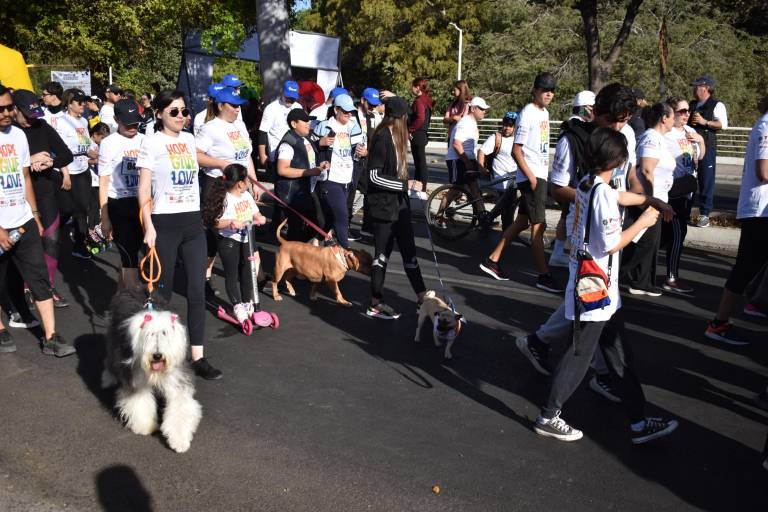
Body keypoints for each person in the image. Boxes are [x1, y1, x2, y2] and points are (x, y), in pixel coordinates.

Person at [516, 84, 665, 402]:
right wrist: (599, 196)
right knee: (594, 305)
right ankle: (589, 381)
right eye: (615, 120)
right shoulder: (574, 139)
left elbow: (632, 173)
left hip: (613, 223)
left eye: (625, 121)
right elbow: (559, 189)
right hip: (584, 234)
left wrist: (644, 198)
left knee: (593, 301)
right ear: (598, 112)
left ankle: (541, 343)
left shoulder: (625, 135)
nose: (620, 127)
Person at [533, 127, 678, 444]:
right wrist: (644, 220)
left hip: (599, 288)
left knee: (618, 356)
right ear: (618, 159)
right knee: (580, 355)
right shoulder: (599, 192)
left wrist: (649, 200)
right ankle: (548, 415)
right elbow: (612, 243)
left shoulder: (589, 183)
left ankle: (639, 422)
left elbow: (618, 195)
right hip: (595, 289)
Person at [137, 89, 222, 380]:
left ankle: (197, 356)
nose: (182, 117)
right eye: (174, 111)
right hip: (164, 223)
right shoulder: (152, 142)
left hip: (191, 223)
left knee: (197, 291)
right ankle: (159, 354)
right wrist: (148, 225)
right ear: (159, 113)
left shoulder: (188, 139)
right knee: (163, 294)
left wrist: (224, 163)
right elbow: (144, 188)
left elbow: (201, 159)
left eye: (184, 111)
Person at [0, 84, 75, 357]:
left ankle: (51, 336)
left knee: (39, 277)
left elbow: (25, 178)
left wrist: (34, 217)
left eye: (9, 107)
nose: (7, 113)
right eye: (2, 109)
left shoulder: (18, 136)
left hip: (23, 219)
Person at [479, 72, 561, 293]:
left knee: (522, 223)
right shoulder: (527, 114)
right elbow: (517, 150)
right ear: (535, 90)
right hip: (532, 177)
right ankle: (544, 276)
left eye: (552, 90)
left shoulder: (544, 113)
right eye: (545, 90)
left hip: (538, 175)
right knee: (538, 227)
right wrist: (532, 177)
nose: (549, 94)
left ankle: (492, 260)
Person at [704, 96, 768, 346]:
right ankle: (719, 323)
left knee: (749, 267)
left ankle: (754, 303)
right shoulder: (766, 126)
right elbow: (763, 171)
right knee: (745, 267)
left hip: (760, 211)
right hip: (759, 211)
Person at [364, 96, 427, 319]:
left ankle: (423, 300)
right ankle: (375, 303)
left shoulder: (398, 137)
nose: (408, 120)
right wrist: (404, 184)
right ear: (398, 117)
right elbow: (373, 176)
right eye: (406, 117)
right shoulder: (382, 137)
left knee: (410, 252)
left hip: (399, 206)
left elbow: (398, 171)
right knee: (381, 256)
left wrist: (409, 187)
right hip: (382, 206)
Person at [11, 89, 73, 309]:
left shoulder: (42, 126)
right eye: (26, 115)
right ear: (14, 110)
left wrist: (50, 162)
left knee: (52, 240)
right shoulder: (9, 132)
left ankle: (47, 285)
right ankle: (26, 288)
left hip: (46, 190)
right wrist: (30, 160)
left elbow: (66, 154)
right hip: (18, 194)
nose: (30, 120)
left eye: (34, 114)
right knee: (24, 244)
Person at [196, 86, 259, 296]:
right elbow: (195, 155)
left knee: (241, 233)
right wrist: (220, 163)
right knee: (214, 237)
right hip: (217, 186)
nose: (237, 110)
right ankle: (204, 277)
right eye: (233, 106)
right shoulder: (210, 128)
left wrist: (254, 181)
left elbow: (246, 155)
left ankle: (247, 284)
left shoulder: (240, 126)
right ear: (220, 105)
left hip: (240, 188)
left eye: (239, 106)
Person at [621, 103, 676, 296]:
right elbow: (646, 170)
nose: (674, 119)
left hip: (658, 199)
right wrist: (650, 201)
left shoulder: (660, 138)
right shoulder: (650, 138)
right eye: (672, 116)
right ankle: (615, 274)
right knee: (645, 241)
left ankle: (643, 282)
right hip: (649, 199)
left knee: (650, 241)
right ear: (663, 118)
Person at [202, 163, 267, 323]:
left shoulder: (246, 196)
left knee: (247, 272)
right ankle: (237, 305)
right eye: (247, 180)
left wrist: (260, 218)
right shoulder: (225, 199)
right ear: (240, 183)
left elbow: (255, 213)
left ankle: (247, 303)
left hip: (246, 239)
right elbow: (215, 222)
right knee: (232, 273)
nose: (249, 183)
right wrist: (231, 222)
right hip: (229, 241)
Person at [98, 99, 145, 289]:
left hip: (142, 202)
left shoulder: (145, 140)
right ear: (117, 119)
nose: (133, 127)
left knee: (136, 252)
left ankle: (122, 294)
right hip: (119, 203)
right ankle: (132, 301)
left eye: (136, 122)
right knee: (129, 255)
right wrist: (105, 217)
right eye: (128, 123)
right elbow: (103, 181)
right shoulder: (108, 143)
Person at [661, 97, 706, 294]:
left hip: (688, 189)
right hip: (673, 189)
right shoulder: (667, 134)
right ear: (672, 112)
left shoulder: (691, 132)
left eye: (688, 110)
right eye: (682, 111)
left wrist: (701, 141)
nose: (687, 114)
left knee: (668, 235)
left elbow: (701, 156)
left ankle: (639, 269)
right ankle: (671, 277)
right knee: (679, 233)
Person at [549, 90, 596, 267]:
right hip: (574, 183)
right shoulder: (577, 129)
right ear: (585, 108)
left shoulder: (570, 126)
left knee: (566, 216)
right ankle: (566, 253)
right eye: (591, 107)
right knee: (573, 219)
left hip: (570, 181)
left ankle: (558, 251)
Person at [313, 93, 366, 248]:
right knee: (342, 216)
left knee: (332, 217)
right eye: (345, 112)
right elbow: (310, 149)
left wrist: (364, 152)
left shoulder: (353, 126)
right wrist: (319, 143)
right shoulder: (324, 126)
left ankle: (316, 240)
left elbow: (359, 151)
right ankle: (345, 252)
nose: (349, 115)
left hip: (348, 179)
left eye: (351, 112)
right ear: (336, 110)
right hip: (331, 179)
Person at [274, 109, 328, 242]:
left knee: (320, 224)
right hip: (293, 196)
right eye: (304, 121)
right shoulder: (288, 143)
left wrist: (321, 165)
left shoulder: (305, 139)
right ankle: (292, 257)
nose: (308, 123)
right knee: (296, 232)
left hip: (307, 192)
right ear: (293, 124)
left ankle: (300, 252)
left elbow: (308, 162)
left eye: (309, 120)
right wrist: (309, 172)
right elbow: (282, 169)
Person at [55, 88, 94, 259]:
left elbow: (88, 144)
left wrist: (96, 153)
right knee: (66, 209)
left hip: (83, 169)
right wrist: (65, 174)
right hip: (67, 170)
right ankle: (51, 234)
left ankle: (79, 244)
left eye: (84, 101)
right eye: (79, 102)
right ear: (69, 103)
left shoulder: (84, 122)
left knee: (82, 209)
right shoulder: (60, 122)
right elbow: (56, 149)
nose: (83, 105)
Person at [689, 75, 728, 227]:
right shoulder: (692, 105)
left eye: (696, 86)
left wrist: (705, 122)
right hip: (689, 148)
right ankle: (685, 210)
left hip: (707, 147)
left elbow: (722, 124)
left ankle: (704, 214)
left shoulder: (717, 105)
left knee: (706, 181)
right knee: (688, 179)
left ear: (705, 88)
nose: (694, 89)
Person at [442, 96, 490, 217]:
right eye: (482, 109)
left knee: (475, 189)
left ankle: (482, 217)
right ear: (473, 109)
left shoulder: (472, 123)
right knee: (455, 190)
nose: (484, 111)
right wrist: (468, 162)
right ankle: (438, 216)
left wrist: (476, 164)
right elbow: (456, 144)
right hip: (457, 160)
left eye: (485, 109)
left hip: (467, 158)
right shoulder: (465, 123)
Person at [477, 111, 519, 229]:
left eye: (510, 126)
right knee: (508, 206)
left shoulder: (519, 139)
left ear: (515, 127)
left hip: (513, 178)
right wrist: (481, 168)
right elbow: (482, 152)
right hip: (500, 178)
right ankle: (505, 231)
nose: (506, 128)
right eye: (505, 124)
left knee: (509, 206)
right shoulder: (496, 137)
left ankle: (493, 221)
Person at [258, 80, 303, 181]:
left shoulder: (298, 107)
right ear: (282, 92)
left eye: (293, 98)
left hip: (295, 154)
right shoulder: (271, 108)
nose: (290, 101)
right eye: (288, 97)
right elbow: (262, 132)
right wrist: (262, 155)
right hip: (276, 155)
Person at [408, 77, 433, 192]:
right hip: (422, 134)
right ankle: (419, 187)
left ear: (417, 87)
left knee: (420, 163)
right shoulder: (426, 100)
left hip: (417, 134)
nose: (411, 88)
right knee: (419, 162)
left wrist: (410, 130)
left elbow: (420, 118)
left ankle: (421, 188)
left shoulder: (419, 101)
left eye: (413, 86)